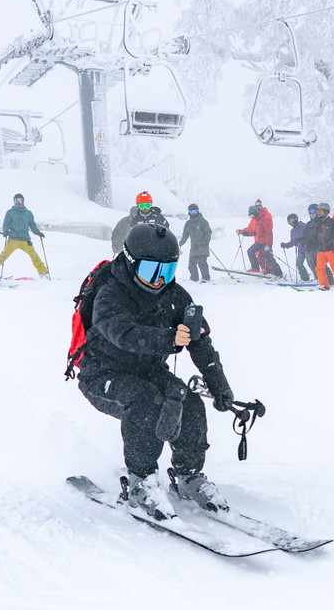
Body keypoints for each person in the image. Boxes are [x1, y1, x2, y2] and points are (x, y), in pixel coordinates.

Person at [77, 222, 238, 519]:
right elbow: (121, 333)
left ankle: (189, 475)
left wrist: (220, 387)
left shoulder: (176, 296)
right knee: (147, 402)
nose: (158, 281)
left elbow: (200, 344)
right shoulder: (110, 293)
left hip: (147, 370)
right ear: (130, 261)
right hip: (102, 375)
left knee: (186, 400)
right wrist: (168, 339)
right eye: (151, 271)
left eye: (167, 271)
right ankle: (141, 481)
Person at [0, 193, 49, 278]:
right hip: (13, 239)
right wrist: (5, 231)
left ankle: (43, 272)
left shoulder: (28, 213)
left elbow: (32, 225)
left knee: (34, 256)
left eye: (20, 200)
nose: (18, 202)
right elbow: (6, 223)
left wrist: (37, 232)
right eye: (16, 200)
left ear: (23, 201)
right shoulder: (10, 212)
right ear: (14, 201)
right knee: (3, 256)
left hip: (25, 240)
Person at [303, 203, 334, 290]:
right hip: (321, 250)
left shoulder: (332, 222)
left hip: (331, 250)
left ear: (326, 212)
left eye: (320, 211)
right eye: (318, 211)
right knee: (319, 268)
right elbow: (314, 236)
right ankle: (324, 285)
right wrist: (308, 243)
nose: (319, 213)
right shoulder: (318, 223)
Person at [237, 201, 283, 278]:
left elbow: (269, 233)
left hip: (266, 243)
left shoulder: (266, 218)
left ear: (256, 213)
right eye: (250, 216)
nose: (251, 217)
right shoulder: (257, 219)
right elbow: (256, 232)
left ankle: (279, 274)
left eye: (252, 215)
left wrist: (268, 245)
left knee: (269, 258)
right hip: (259, 242)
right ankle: (255, 268)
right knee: (250, 251)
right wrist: (247, 233)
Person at [179, 203, 212, 282]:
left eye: (195, 211)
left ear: (198, 211)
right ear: (189, 212)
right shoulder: (188, 224)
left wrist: (206, 240)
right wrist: (181, 243)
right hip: (194, 247)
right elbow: (185, 235)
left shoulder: (203, 222)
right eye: (191, 212)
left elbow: (208, 232)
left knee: (202, 263)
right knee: (191, 265)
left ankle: (206, 278)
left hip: (202, 246)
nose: (193, 213)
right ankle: (194, 278)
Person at [279, 212, 312, 282]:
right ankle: (305, 278)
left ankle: (317, 278)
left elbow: (309, 235)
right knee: (299, 264)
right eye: (289, 222)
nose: (291, 223)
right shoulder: (292, 231)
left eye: (291, 221)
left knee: (311, 263)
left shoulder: (303, 226)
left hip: (307, 249)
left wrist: (303, 239)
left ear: (295, 219)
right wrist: (285, 245)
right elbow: (292, 242)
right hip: (300, 250)